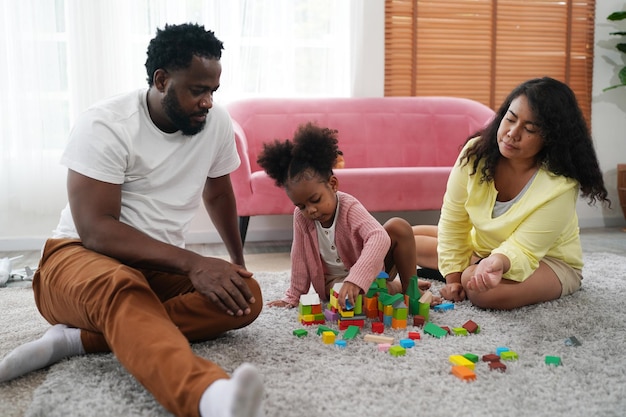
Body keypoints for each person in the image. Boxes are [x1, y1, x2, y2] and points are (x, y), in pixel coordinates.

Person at [0, 23, 265, 417]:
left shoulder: (216, 124)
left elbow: (219, 192)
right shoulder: (106, 123)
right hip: (73, 258)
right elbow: (96, 228)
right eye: (197, 90)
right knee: (123, 285)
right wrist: (194, 263)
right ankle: (207, 396)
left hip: (153, 266)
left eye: (213, 91)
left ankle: (74, 342)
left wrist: (237, 265)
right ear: (161, 80)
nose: (208, 102)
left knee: (245, 298)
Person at [413, 76, 610, 310]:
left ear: (551, 138)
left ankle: (474, 266)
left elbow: (524, 249)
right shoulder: (476, 154)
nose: (512, 134)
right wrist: (453, 279)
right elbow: (454, 219)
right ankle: (472, 265)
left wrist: (496, 262)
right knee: (403, 239)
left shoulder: (560, 185)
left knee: (481, 291)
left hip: (547, 260)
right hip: (484, 249)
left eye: (529, 129)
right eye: (510, 119)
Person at [257, 122, 433, 309]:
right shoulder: (301, 218)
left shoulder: (349, 207)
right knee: (357, 302)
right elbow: (299, 257)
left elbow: (379, 237)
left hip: (370, 269)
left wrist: (357, 278)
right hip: (334, 281)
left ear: (333, 184)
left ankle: (410, 289)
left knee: (398, 226)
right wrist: (293, 296)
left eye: (315, 200)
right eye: (301, 206)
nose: (310, 210)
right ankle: (392, 288)